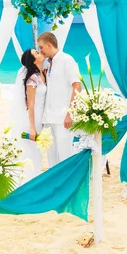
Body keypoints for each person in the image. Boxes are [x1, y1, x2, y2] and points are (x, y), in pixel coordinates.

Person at [38, 32, 82, 167]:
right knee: (51, 159)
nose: (40, 51)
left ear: (49, 44)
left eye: (41, 47)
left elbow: (77, 86)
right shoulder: (48, 64)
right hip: (49, 118)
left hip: (62, 118)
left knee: (65, 156)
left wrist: (70, 113)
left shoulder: (67, 60)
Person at [10, 48, 47, 182]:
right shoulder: (32, 79)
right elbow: (30, 104)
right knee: (30, 153)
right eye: (36, 53)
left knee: (36, 153)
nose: (39, 52)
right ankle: (25, 183)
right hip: (32, 119)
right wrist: (32, 127)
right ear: (34, 61)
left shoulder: (42, 73)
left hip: (41, 118)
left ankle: (32, 181)